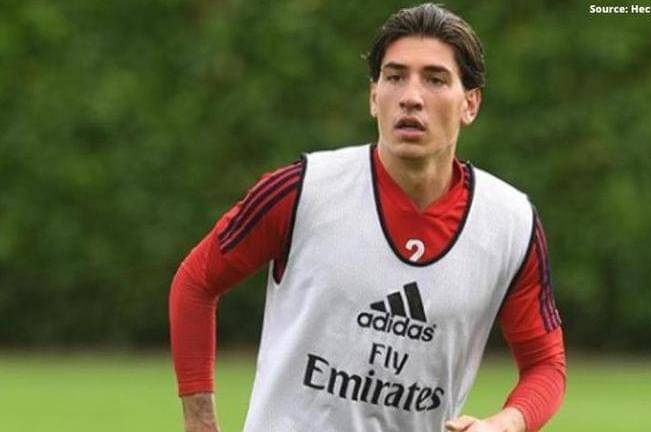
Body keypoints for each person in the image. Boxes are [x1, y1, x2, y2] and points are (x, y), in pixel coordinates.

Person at [170, 3, 565, 431]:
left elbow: (546, 365)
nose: (411, 97)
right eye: (395, 77)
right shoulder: (301, 190)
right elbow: (196, 282)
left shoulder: (510, 223)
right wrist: (200, 423)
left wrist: (505, 424)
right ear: (375, 97)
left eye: (434, 79)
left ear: (470, 104)